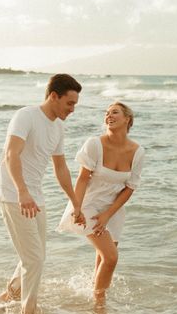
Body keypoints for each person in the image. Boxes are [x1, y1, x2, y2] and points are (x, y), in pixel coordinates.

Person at [0, 73, 85, 314]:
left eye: (75, 104)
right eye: (70, 103)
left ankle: (8, 297)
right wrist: (22, 192)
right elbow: (11, 155)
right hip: (14, 195)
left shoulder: (57, 127)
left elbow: (61, 168)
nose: (73, 109)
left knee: (35, 256)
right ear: (53, 96)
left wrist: (76, 202)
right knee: (34, 259)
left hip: (36, 198)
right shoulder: (26, 116)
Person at [57, 101, 145, 302]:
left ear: (127, 119)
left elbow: (130, 187)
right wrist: (76, 208)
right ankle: (99, 304)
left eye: (114, 112)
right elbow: (82, 179)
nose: (108, 116)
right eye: (106, 113)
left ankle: (93, 295)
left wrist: (108, 214)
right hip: (87, 204)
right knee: (111, 257)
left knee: (103, 256)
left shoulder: (138, 152)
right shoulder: (94, 144)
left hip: (113, 209)